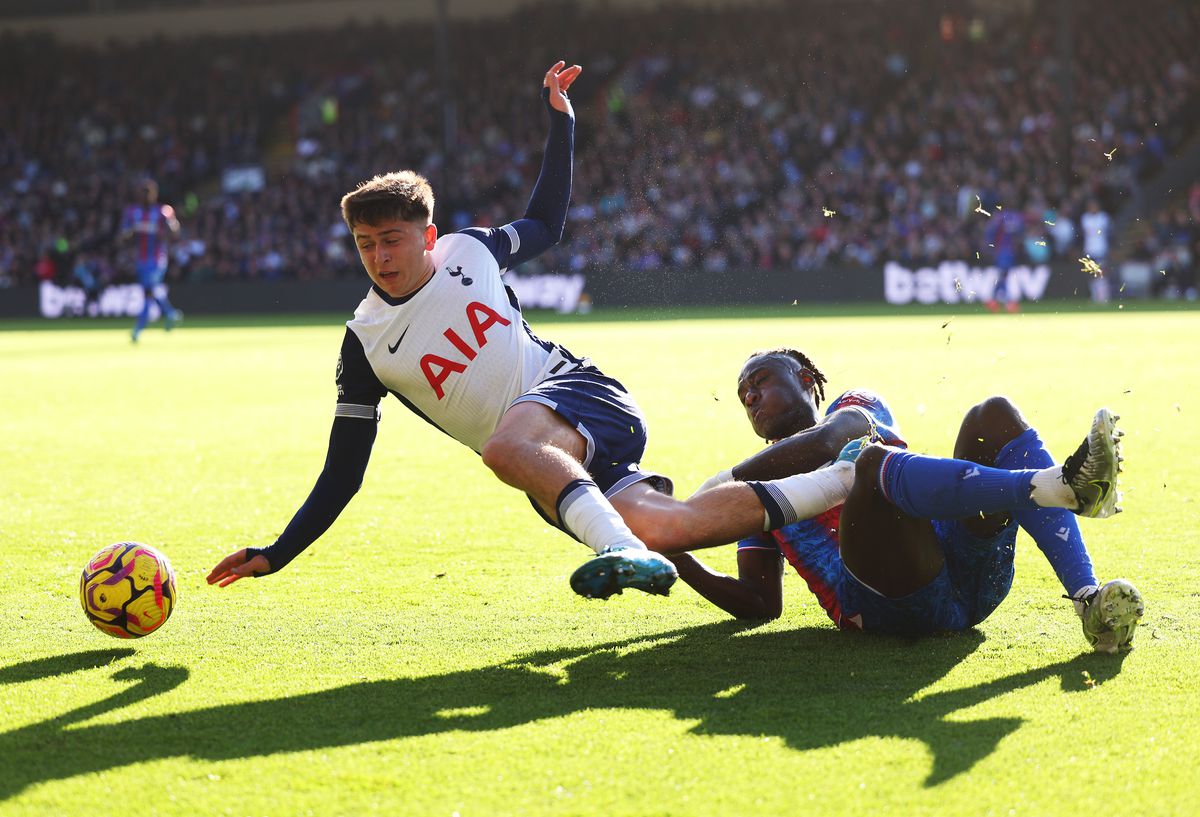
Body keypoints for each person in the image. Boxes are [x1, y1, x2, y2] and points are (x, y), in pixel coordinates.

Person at [205, 62, 906, 603]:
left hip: (578, 394)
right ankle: (847, 474)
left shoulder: (471, 251)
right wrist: (280, 549)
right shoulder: (363, 343)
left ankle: (613, 551)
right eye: (365, 245)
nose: (379, 258)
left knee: (509, 444)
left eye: (391, 240)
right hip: (554, 468)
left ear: (428, 233)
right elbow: (345, 469)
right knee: (674, 524)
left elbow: (545, 224)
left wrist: (561, 123)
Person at [666, 349, 1143, 653]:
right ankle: (1057, 485)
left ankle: (1088, 601)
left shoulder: (855, 406)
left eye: (761, 380)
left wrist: (706, 495)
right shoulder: (756, 492)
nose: (750, 396)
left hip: (962, 568)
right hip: (883, 607)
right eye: (742, 394)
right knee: (870, 467)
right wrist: (676, 552)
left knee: (991, 414)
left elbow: (829, 443)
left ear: (808, 378)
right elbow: (760, 603)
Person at [120, 178, 182, 341]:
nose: (146, 196)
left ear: (155, 194)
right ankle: (169, 314)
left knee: (150, 290)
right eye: (143, 192)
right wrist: (129, 233)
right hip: (140, 258)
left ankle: (139, 329)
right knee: (149, 292)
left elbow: (175, 231)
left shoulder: (163, 211)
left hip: (157, 258)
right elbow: (124, 234)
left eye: (149, 192)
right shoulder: (133, 212)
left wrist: (171, 226)